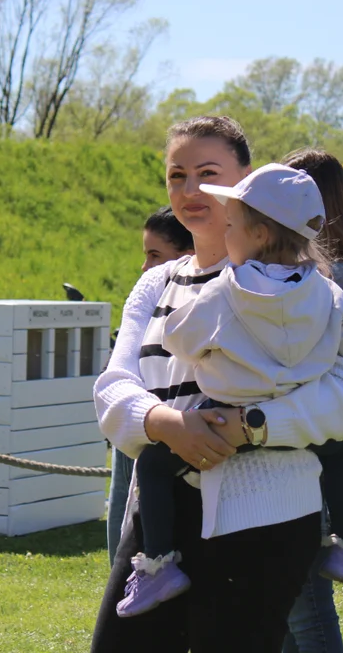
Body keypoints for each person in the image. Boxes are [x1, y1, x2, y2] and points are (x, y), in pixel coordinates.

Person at [92, 116, 343, 652]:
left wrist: (249, 427)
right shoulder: (156, 280)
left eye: (208, 174)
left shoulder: (297, 286)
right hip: (160, 514)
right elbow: (113, 386)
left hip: (265, 514)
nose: (190, 191)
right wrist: (166, 423)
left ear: (244, 181)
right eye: (177, 176)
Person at [280, 148, 343, 653]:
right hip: (336, 453)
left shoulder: (302, 280)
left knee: (305, 607)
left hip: (298, 452)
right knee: (289, 612)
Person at [108, 206, 194, 566]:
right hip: (139, 422)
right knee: (122, 529)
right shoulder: (147, 300)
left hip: (175, 434)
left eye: (154, 255)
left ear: (187, 258)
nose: (145, 267)